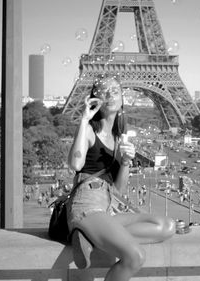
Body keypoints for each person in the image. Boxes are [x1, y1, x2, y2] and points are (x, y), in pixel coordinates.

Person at [66, 74, 175, 281]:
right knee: (135, 257)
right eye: (105, 91)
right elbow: (75, 164)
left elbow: (117, 191)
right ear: (96, 99)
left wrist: (126, 162)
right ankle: (90, 231)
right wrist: (83, 120)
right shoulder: (90, 130)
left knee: (166, 226)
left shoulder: (119, 138)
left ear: (122, 97)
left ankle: (92, 237)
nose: (111, 94)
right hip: (86, 204)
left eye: (115, 90)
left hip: (106, 208)